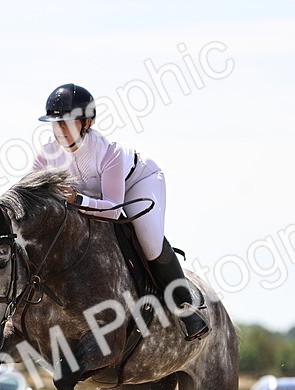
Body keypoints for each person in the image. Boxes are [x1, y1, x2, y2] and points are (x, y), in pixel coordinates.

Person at [31, 82, 209, 342]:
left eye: (67, 123)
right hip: (93, 197)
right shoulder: (46, 156)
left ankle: (185, 306)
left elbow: (114, 210)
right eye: (56, 124)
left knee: (148, 239)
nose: (60, 130)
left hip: (138, 183)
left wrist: (78, 199)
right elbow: (32, 198)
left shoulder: (108, 152)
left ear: (87, 123)